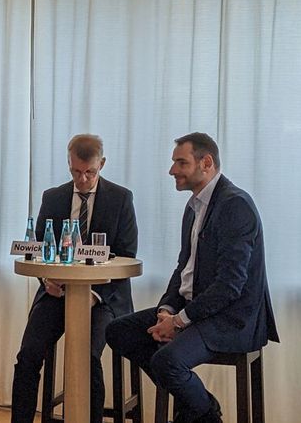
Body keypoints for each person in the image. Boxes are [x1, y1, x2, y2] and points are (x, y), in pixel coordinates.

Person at [106, 133, 279, 423]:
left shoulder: (235, 205)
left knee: (167, 361)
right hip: (197, 309)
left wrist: (179, 321)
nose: (172, 170)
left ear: (206, 163)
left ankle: (203, 414)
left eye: (180, 162)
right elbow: (183, 269)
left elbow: (229, 286)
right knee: (118, 332)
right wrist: (167, 310)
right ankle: (202, 405)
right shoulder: (194, 206)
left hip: (233, 318)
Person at [11, 134, 138, 423]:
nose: (82, 179)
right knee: (28, 356)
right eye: (76, 172)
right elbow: (41, 249)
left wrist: (93, 295)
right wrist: (47, 280)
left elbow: (127, 255)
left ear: (101, 164)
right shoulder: (53, 197)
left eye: (89, 172)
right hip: (56, 292)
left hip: (103, 298)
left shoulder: (120, 198)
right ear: (69, 164)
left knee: (88, 358)